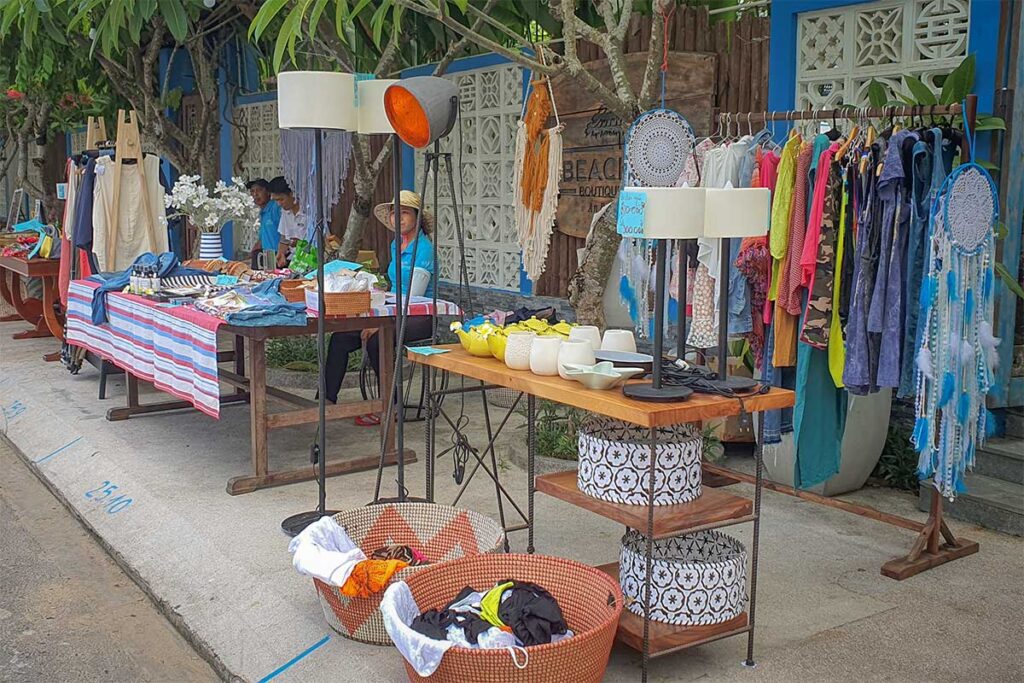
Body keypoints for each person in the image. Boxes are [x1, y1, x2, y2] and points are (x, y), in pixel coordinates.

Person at [324, 190, 435, 424]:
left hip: (419, 316)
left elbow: (413, 298)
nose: (398, 219)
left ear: (417, 217)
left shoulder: (423, 249)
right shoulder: (397, 244)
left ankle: (391, 407)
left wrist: (380, 325)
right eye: (395, 214)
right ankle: (326, 402)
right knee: (340, 338)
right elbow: (393, 286)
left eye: (404, 213)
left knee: (377, 341)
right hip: (392, 312)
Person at [269, 176, 306, 268]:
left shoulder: (309, 212)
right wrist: (281, 253)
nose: (279, 204)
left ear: (292, 194)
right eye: (276, 200)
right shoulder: (285, 212)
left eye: (281, 199)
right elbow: (284, 237)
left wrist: (301, 243)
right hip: (294, 261)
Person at [247, 178, 282, 267]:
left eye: (259, 190)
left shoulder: (275, 207)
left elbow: (286, 232)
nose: (255, 194)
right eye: (252, 191)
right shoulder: (263, 212)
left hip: (279, 254)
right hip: (267, 254)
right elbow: (263, 238)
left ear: (268, 192)